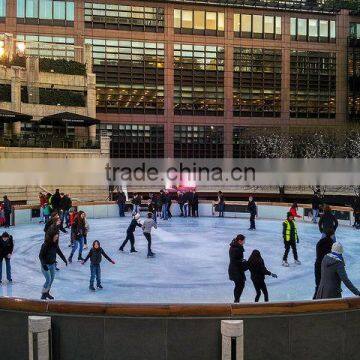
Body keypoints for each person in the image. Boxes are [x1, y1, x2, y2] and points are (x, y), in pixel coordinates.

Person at [39, 229, 67, 300]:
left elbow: (59, 252)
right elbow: (41, 256)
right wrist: (44, 264)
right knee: (48, 280)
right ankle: (43, 294)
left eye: (57, 237)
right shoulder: (45, 245)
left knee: (51, 280)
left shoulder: (55, 245)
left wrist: (64, 260)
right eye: (55, 237)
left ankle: (47, 293)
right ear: (52, 236)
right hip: (46, 265)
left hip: (52, 265)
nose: (56, 239)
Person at [313, 230, 335, 299]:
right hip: (325, 267)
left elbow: (318, 254)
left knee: (318, 286)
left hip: (318, 265)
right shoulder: (332, 244)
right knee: (328, 287)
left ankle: (314, 302)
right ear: (331, 236)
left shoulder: (319, 242)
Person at [228, 234, 247, 303]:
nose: (244, 242)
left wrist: (242, 261)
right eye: (243, 241)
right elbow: (234, 260)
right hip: (235, 270)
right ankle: (236, 300)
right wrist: (243, 261)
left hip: (236, 269)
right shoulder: (236, 249)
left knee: (240, 285)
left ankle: (237, 300)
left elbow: (237, 259)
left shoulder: (237, 247)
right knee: (239, 285)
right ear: (239, 241)